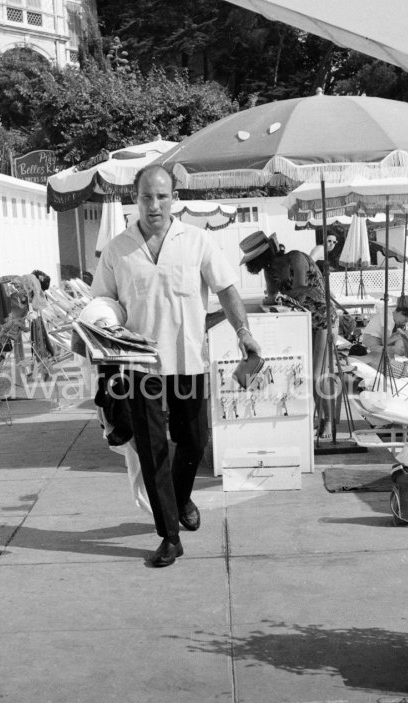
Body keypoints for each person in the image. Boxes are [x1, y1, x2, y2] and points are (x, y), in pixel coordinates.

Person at [91, 164, 261, 568]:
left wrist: (244, 332)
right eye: (147, 196)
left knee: (194, 440)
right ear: (135, 198)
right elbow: (103, 302)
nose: (154, 205)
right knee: (151, 451)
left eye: (162, 196)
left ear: (174, 199)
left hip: (188, 360)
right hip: (139, 365)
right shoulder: (118, 249)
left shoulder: (197, 241)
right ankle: (169, 535)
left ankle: (181, 496)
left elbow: (227, 289)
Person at [240, 230, 337, 432]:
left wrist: (279, 296)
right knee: (306, 372)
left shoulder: (296, 257)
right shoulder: (270, 269)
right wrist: (272, 298)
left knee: (316, 374)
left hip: (322, 317)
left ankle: (327, 422)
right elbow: (272, 296)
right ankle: (318, 420)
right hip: (301, 321)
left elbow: (301, 290)